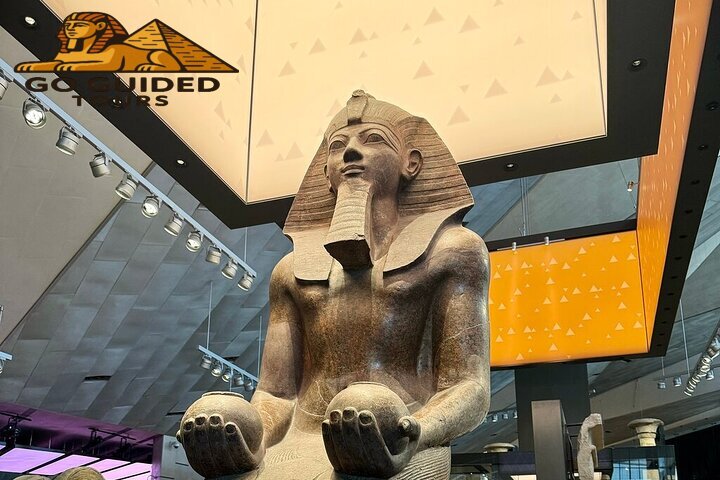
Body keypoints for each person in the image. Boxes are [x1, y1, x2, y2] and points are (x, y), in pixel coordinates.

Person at [179, 91, 490, 479]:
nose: (351, 152)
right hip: (301, 438)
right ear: (325, 173)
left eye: (373, 139)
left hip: (396, 429)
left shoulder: (454, 251)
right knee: (216, 413)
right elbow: (276, 393)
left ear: (411, 163)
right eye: (338, 146)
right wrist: (248, 435)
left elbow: (468, 386)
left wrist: (416, 431)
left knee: (364, 407)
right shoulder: (290, 271)